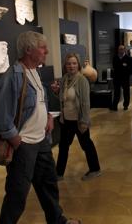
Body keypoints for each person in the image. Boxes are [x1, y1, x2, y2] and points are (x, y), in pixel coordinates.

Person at [0, 31, 80, 224]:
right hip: (24, 145)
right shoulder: (13, 75)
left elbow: (40, 100)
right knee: (18, 194)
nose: (46, 51)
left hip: (41, 141)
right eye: (42, 47)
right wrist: (15, 139)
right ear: (29, 49)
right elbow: (0, 115)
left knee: (48, 185)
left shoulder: (35, 71)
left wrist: (47, 116)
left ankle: (57, 220)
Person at [51, 53, 101, 181]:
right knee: (63, 146)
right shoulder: (64, 79)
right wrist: (56, 92)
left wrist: (84, 121)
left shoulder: (82, 80)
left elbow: (85, 103)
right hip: (66, 120)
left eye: (74, 63)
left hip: (79, 121)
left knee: (86, 145)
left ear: (78, 65)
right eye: (68, 63)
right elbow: (64, 100)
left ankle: (95, 169)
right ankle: (59, 173)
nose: (71, 66)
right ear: (65, 65)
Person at [111, 45, 132, 111]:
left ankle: (125, 105)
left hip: (125, 79)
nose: (120, 50)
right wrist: (123, 66)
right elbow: (115, 67)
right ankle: (114, 106)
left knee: (126, 92)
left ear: (124, 50)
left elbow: (131, 69)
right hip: (117, 78)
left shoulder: (129, 58)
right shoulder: (115, 58)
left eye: (122, 49)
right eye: (119, 49)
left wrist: (125, 70)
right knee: (116, 92)